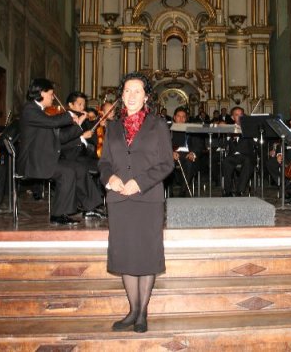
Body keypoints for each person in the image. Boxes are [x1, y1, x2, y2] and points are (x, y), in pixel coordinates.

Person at [98, 72, 173, 334]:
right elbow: (104, 162)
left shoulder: (158, 124)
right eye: (127, 91)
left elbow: (167, 163)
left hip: (147, 197)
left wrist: (140, 182)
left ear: (146, 97)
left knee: (146, 254)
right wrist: (111, 178)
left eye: (137, 91)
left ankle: (142, 313)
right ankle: (132, 309)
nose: (131, 96)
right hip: (119, 198)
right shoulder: (113, 127)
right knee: (126, 254)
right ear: (122, 96)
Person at [17, 78, 86, 226]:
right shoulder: (30, 109)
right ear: (42, 93)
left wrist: (77, 125)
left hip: (43, 158)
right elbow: (53, 122)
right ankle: (59, 214)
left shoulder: (42, 112)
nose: (53, 97)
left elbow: (60, 137)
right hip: (32, 162)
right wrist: (69, 115)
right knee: (67, 172)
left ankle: (66, 210)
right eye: (51, 94)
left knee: (72, 169)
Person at [59, 91, 105, 219]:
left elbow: (94, 142)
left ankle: (94, 204)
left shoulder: (83, 121)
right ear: (70, 105)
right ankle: (90, 206)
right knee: (81, 168)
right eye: (79, 104)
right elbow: (62, 143)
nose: (82, 108)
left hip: (82, 156)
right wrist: (82, 137)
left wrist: (100, 128)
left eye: (83, 105)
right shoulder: (63, 120)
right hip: (68, 156)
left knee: (104, 165)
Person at [169, 107, 205, 197]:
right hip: (173, 154)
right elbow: (162, 144)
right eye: (178, 116)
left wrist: (193, 153)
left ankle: (182, 191)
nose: (181, 119)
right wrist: (170, 153)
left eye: (183, 117)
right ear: (174, 117)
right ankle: (170, 191)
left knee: (190, 162)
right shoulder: (168, 129)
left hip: (188, 154)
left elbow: (199, 145)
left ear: (186, 118)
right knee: (166, 163)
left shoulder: (191, 129)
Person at [221, 106, 256, 197]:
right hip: (233, 156)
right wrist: (223, 130)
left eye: (241, 115)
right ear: (232, 117)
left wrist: (251, 131)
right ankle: (227, 191)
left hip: (246, 155)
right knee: (226, 161)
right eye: (237, 115)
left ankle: (239, 191)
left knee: (248, 161)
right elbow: (223, 144)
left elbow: (255, 142)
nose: (239, 117)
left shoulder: (248, 127)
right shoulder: (229, 128)